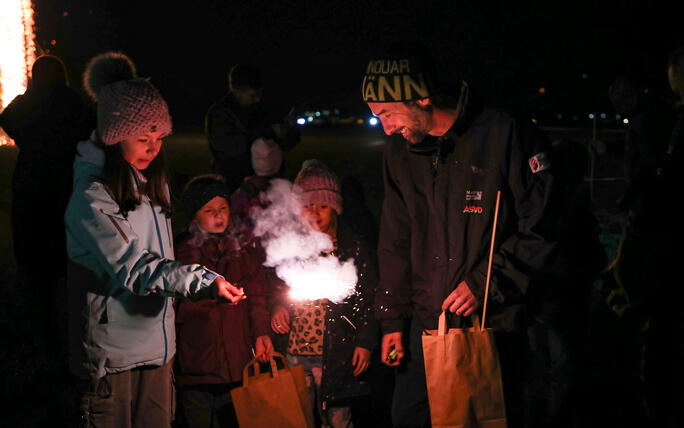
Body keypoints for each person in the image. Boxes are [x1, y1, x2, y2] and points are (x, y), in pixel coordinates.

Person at [363, 43, 564, 427]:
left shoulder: (503, 133)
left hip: (489, 327)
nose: (386, 128)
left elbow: (543, 225)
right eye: (377, 117)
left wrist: (487, 282)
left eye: (387, 113)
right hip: (425, 327)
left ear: (421, 97)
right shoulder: (399, 153)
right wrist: (391, 321)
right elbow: (395, 240)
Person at [64, 51, 245, 428]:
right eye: (142, 137)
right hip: (113, 357)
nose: (153, 147)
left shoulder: (150, 185)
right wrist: (203, 280)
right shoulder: (92, 196)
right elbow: (134, 267)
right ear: (114, 136)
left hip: (158, 352)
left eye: (159, 137)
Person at [270, 159, 379, 427]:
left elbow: (366, 298)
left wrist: (364, 342)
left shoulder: (351, 247)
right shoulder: (291, 245)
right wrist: (278, 307)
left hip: (335, 350)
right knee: (300, 414)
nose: (315, 214)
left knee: (337, 417)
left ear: (335, 208)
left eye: (323, 206)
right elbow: (275, 285)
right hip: (296, 349)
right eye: (307, 207)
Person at [610, 43, 684, 428]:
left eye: (622, 95)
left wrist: (632, 202)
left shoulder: (659, 122)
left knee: (652, 322)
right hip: (654, 223)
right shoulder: (664, 118)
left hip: (657, 228)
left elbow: (652, 174)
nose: (618, 104)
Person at [0, 54, 94, 355]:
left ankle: (43, 338)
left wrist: (25, 96)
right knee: (67, 266)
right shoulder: (74, 103)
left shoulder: (30, 103)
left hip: (33, 188)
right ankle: (73, 336)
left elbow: (7, 119)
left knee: (35, 268)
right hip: (67, 187)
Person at [173, 173, 273, 428]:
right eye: (209, 210)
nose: (219, 216)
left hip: (237, 365)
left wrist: (261, 333)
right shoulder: (181, 254)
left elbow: (258, 298)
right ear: (195, 214)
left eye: (223, 208)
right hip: (197, 367)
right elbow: (174, 308)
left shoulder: (242, 250)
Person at [205, 63, 300, 193]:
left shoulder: (261, 110)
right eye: (253, 95)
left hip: (266, 185)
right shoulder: (219, 114)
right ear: (237, 91)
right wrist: (269, 132)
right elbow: (229, 146)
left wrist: (289, 131)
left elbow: (285, 144)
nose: (257, 99)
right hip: (235, 186)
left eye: (259, 94)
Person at [608, 74, 676, 212]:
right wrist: (609, 147)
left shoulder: (646, 119)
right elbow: (638, 148)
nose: (619, 109)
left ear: (631, 97)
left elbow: (648, 162)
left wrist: (629, 198)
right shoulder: (647, 115)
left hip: (653, 196)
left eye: (620, 103)